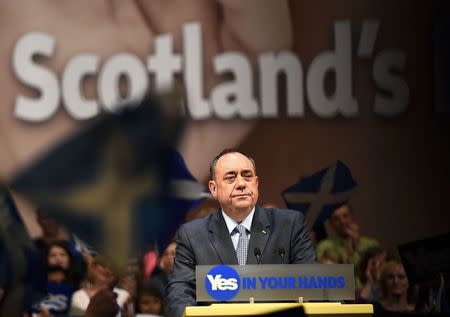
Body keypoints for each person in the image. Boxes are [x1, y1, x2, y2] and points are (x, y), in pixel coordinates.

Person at [164, 149, 316, 317]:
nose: (241, 183)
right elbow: (179, 293)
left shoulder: (290, 224)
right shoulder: (192, 234)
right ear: (213, 188)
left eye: (247, 176)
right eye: (230, 177)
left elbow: (316, 284)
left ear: (256, 183)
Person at [316, 204, 379, 286]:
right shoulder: (324, 246)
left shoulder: (371, 243)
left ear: (352, 217)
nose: (342, 221)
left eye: (345, 216)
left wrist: (358, 244)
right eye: (336, 219)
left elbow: (377, 272)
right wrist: (349, 253)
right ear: (331, 223)